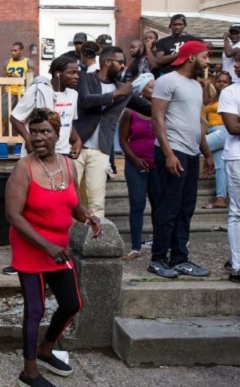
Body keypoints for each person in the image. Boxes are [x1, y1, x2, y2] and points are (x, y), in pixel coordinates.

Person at [5, 108, 101, 387]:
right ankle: (29, 372)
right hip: (31, 248)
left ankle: (46, 349)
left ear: (57, 135)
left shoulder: (68, 165)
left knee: (72, 303)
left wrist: (87, 216)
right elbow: (13, 215)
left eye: (45, 131)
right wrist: (46, 245)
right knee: (35, 310)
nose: (38, 137)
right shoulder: (23, 168)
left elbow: (72, 203)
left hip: (57, 250)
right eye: (33, 132)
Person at [5, 56, 82, 276]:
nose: (77, 77)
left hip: (62, 156)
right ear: (58, 73)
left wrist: (77, 140)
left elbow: (67, 121)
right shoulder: (38, 91)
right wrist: (30, 140)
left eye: (77, 72)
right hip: (36, 157)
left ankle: (57, 251)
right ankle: (22, 258)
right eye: (72, 72)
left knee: (59, 206)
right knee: (28, 209)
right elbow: (16, 118)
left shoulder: (73, 95)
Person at [149, 41, 214, 279]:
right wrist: (168, 153)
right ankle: (157, 259)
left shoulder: (196, 86)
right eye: (205, 57)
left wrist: (206, 153)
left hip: (191, 153)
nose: (208, 62)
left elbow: (197, 123)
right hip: (172, 151)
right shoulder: (167, 81)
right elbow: (157, 119)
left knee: (185, 209)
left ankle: (179, 259)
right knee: (168, 208)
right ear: (191, 58)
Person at [74, 46, 151, 218]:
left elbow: (148, 109)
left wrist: (168, 104)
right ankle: (65, 238)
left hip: (101, 149)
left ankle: (95, 240)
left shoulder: (122, 89)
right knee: (70, 197)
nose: (124, 66)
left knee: (97, 201)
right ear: (107, 62)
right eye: (121, 62)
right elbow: (86, 101)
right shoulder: (85, 79)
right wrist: (116, 94)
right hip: (77, 146)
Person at [118, 74, 159, 261]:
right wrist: (134, 159)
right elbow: (123, 140)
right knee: (137, 204)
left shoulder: (161, 110)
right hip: (136, 165)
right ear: (141, 91)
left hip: (158, 164)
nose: (155, 90)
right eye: (151, 87)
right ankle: (135, 246)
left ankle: (160, 243)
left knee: (159, 205)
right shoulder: (130, 112)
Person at [219, 51, 240, 284]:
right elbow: (233, 127)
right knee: (237, 211)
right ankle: (237, 265)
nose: (236, 65)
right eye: (235, 60)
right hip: (237, 157)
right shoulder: (230, 91)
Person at [202, 71, 233, 209]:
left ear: (230, 84)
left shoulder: (231, 96)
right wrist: (206, 86)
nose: (221, 83)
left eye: (225, 81)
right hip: (213, 131)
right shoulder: (215, 97)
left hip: (223, 131)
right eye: (219, 81)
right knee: (219, 166)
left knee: (193, 144)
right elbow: (205, 103)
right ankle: (221, 198)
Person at [3, 42, 35, 123]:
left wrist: (16, 77)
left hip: (23, 93)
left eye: (15, 51)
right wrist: (6, 75)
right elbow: (2, 78)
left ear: (21, 51)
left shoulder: (28, 62)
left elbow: (30, 80)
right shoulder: (7, 62)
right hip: (9, 92)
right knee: (3, 117)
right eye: (12, 50)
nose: (13, 53)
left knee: (23, 118)